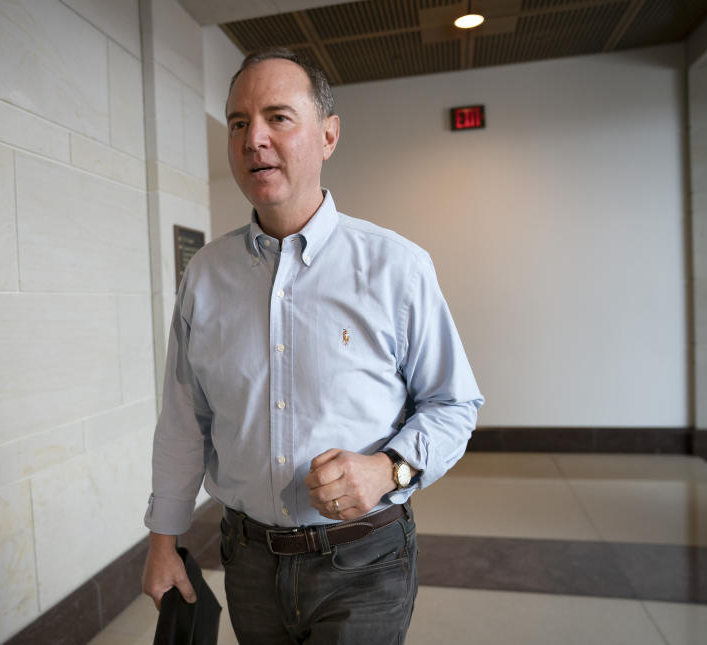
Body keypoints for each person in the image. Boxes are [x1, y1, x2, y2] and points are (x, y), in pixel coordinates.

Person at [142, 47, 484, 644]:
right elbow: (183, 420)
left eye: (278, 118)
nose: (255, 140)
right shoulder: (205, 275)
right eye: (240, 123)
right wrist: (163, 542)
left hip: (365, 562)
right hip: (248, 562)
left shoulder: (395, 267)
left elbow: (454, 404)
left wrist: (388, 467)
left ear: (327, 136)